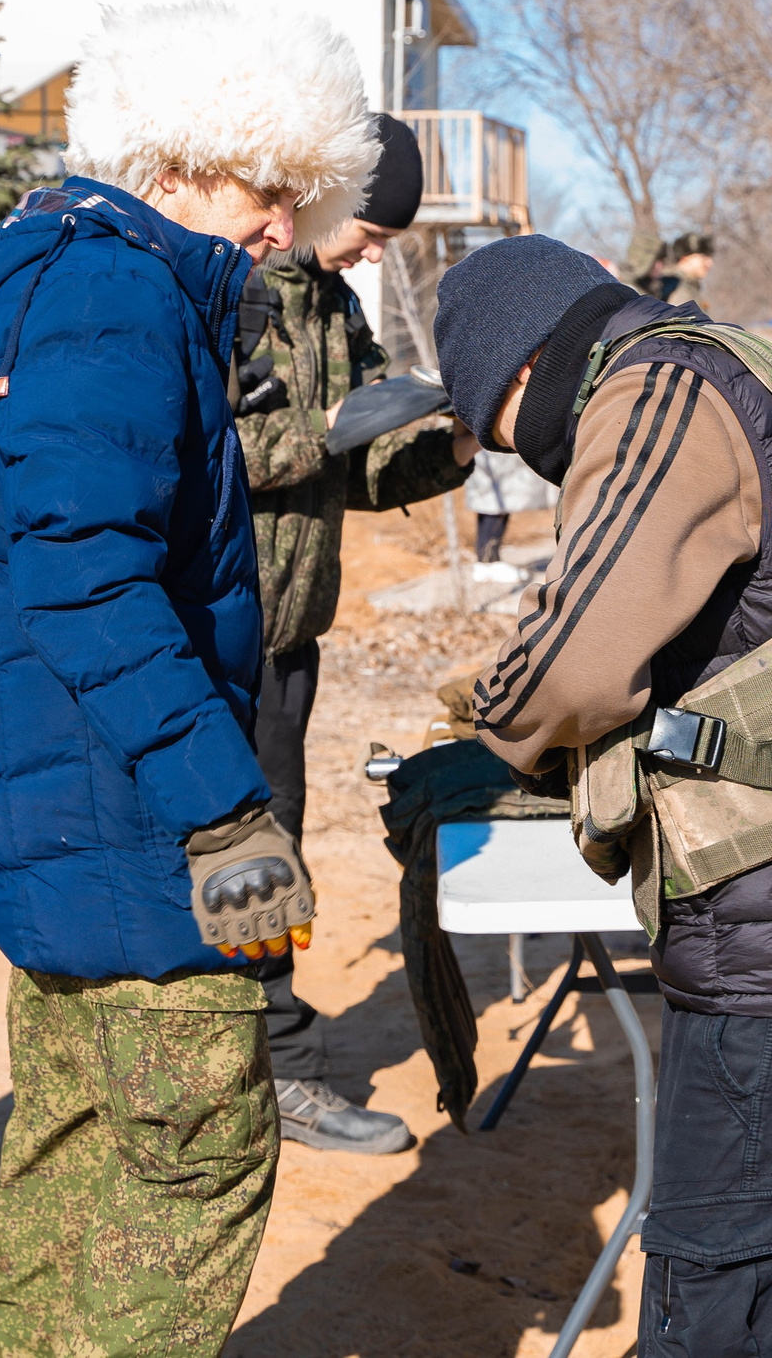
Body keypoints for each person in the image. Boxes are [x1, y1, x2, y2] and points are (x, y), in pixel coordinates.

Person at [0, 0, 376, 1358]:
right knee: (194, 1161)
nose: (284, 224)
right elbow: (83, 574)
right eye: (266, 187)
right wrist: (225, 807)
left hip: (67, 821)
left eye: (300, 191)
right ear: (172, 161)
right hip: (135, 834)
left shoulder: (59, 285)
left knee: (72, 1152)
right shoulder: (114, 295)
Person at [434, 233, 772, 1358]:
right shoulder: (771, 372)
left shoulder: (652, 393)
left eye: (505, 433)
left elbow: (571, 667)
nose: (533, 458)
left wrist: (484, 708)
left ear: (525, 373)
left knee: (723, 1320)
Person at [236, 112, 473, 1153]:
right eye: (370, 228)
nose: (375, 251)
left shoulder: (331, 307)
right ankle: (259, 1066)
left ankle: (268, 1064)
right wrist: (318, 432)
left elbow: (362, 470)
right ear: (318, 194)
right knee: (225, 851)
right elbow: (192, 450)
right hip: (203, 628)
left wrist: (451, 447)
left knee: (271, 844)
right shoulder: (223, 294)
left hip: (289, 638)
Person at [659, 230, 716, 305]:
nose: (709, 263)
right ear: (685, 258)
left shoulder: (689, 286)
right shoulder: (673, 286)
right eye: (703, 257)